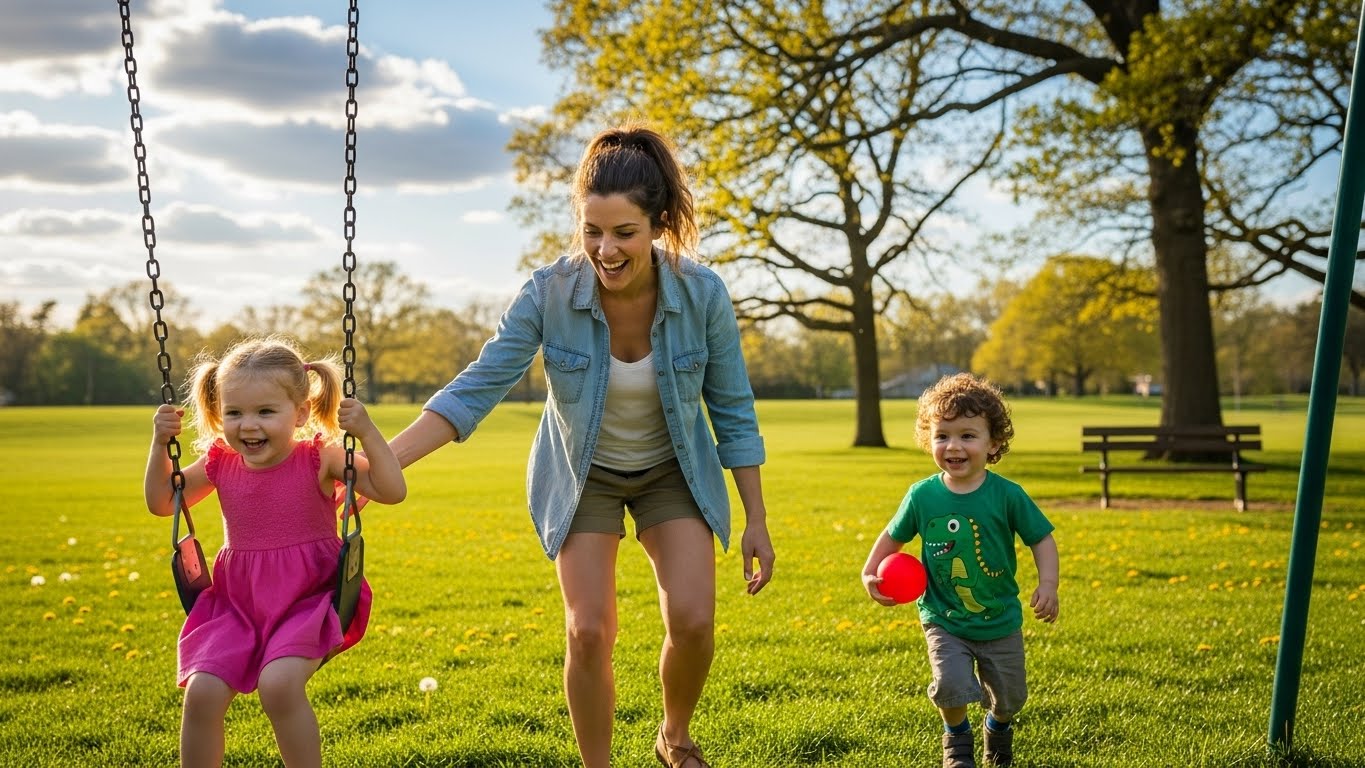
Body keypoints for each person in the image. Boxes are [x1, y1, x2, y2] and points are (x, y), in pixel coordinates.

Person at [386, 122, 775, 768]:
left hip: (673, 471)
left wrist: (756, 517)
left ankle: (674, 737)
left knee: (693, 621)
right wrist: (382, 461)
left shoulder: (702, 293)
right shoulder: (550, 292)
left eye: (624, 233)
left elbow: (732, 409)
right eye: (592, 231)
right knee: (588, 630)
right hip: (582, 473)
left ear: (658, 224)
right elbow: (477, 387)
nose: (605, 249)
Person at [143, 336, 406, 768]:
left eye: (265, 412)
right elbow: (161, 501)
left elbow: (392, 490)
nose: (248, 425)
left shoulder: (319, 458)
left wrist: (367, 432)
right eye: (234, 412)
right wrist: (159, 445)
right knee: (202, 691)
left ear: (300, 413)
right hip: (237, 605)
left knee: (279, 685)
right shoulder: (220, 462)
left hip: (309, 600)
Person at [861, 372, 1058, 768]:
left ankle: (997, 728)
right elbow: (892, 536)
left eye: (968, 435)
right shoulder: (922, 495)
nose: (953, 446)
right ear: (929, 439)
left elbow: (1041, 538)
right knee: (950, 684)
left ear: (993, 443)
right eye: (942, 436)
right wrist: (869, 572)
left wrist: (1048, 584)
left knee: (1011, 698)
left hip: (1000, 619)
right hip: (943, 617)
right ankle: (956, 738)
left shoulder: (1008, 495)